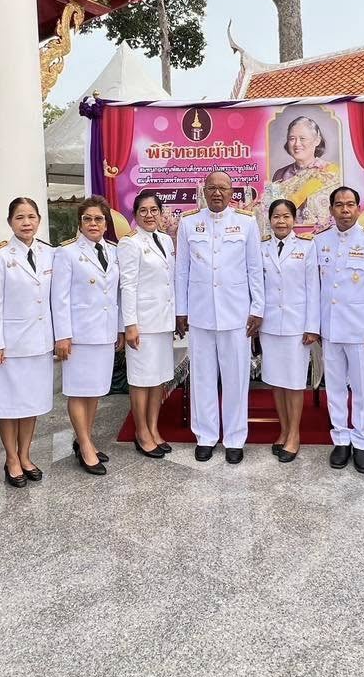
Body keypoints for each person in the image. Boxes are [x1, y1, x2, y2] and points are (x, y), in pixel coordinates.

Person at [175, 170, 264, 463]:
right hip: (200, 314)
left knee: (236, 377)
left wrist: (257, 308)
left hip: (236, 313)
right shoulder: (189, 223)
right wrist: (181, 311)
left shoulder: (246, 223)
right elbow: (182, 270)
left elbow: (254, 268)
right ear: (203, 191)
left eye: (222, 188)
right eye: (211, 188)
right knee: (202, 377)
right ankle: (206, 435)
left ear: (231, 193)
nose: (216, 193)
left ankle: (235, 439)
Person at [314, 186, 364, 473]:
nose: (344, 210)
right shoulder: (320, 241)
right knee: (334, 388)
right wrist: (316, 326)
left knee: (361, 389)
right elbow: (316, 289)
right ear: (331, 210)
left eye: (350, 205)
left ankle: (361, 442)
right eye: (339, 205)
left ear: (358, 208)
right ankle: (340, 439)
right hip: (331, 328)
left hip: (361, 330)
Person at [0, 197, 56, 486]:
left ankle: (26, 454)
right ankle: (11, 458)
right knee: (10, 404)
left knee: (32, 403)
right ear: (10, 222)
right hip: (11, 344)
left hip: (40, 342)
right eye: (19, 218)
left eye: (31, 217)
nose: (26, 223)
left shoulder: (49, 253)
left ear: (39, 220)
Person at [54, 197, 123, 475]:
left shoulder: (113, 251)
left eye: (98, 219)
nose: (93, 224)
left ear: (106, 223)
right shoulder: (67, 252)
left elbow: (117, 293)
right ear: (79, 223)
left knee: (94, 391)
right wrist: (63, 336)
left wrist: (119, 327)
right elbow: (59, 298)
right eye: (88, 219)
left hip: (104, 332)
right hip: (79, 334)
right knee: (78, 391)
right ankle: (84, 445)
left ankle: (85, 438)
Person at [259, 198, 320, 462]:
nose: (281, 221)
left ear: (294, 220)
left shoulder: (307, 246)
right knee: (276, 381)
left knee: (295, 383)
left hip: (297, 326)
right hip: (270, 325)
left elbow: (313, 289)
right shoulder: (261, 248)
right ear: (269, 220)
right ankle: (283, 430)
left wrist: (312, 327)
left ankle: (294, 434)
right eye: (276, 217)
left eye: (286, 216)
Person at [117, 190, 177, 459]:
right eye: (143, 211)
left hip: (163, 322)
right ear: (136, 214)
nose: (149, 215)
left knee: (158, 380)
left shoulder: (165, 240)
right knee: (141, 380)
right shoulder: (129, 243)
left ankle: (153, 428)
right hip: (142, 324)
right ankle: (141, 432)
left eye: (154, 210)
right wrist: (130, 324)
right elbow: (127, 285)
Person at [263, 115, 342, 228]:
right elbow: (270, 210)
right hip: (289, 238)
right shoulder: (280, 174)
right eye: (292, 139)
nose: (297, 144)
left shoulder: (332, 172)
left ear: (317, 141)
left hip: (323, 237)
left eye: (302, 138)